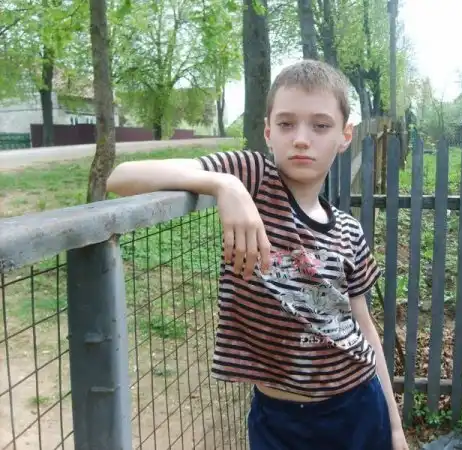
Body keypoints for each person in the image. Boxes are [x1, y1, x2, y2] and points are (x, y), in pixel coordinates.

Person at [106, 59, 409, 450]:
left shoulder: (349, 231)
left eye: (320, 125)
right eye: (286, 124)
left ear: (344, 135)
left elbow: (364, 327)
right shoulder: (253, 178)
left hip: (358, 408)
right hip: (277, 420)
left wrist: (395, 427)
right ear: (268, 132)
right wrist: (225, 185)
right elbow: (122, 177)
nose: (301, 139)